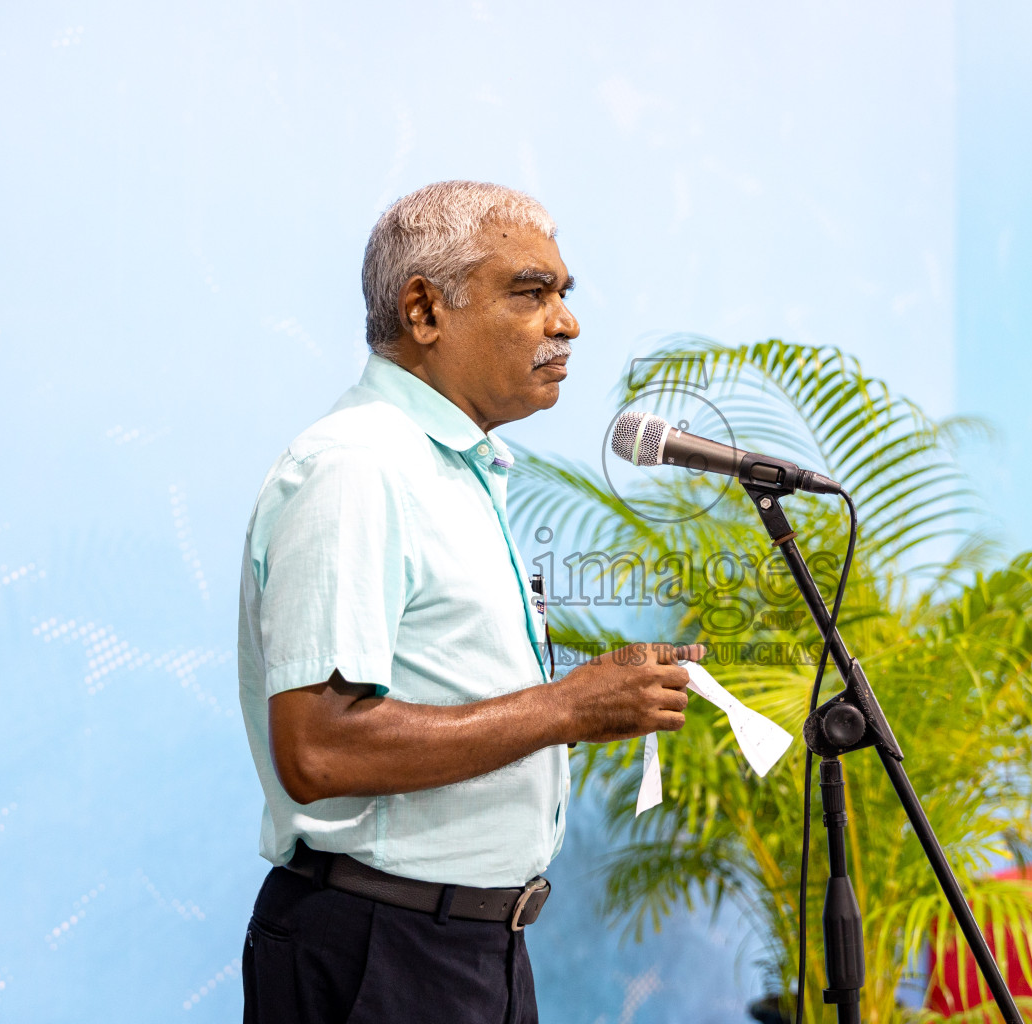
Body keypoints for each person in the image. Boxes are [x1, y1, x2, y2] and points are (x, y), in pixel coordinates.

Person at [236, 180, 697, 1024]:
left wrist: (595, 699)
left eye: (564, 294)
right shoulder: (358, 468)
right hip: (381, 951)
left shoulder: (452, 470)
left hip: (475, 948)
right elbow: (318, 750)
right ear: (424, 311)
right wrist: (568, 707)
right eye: (531, 291)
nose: (566, 322)